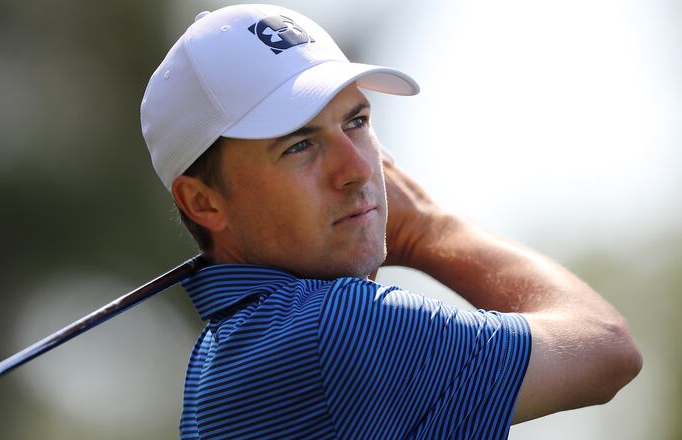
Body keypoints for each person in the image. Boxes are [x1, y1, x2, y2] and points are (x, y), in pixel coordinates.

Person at [140, 4, 642, 439]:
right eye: (299, 145)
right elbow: (606, 349)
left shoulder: (223, 351)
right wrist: (427, 229)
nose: (359, 170)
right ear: (203, 203)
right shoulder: (331, 331)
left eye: (356, 122)